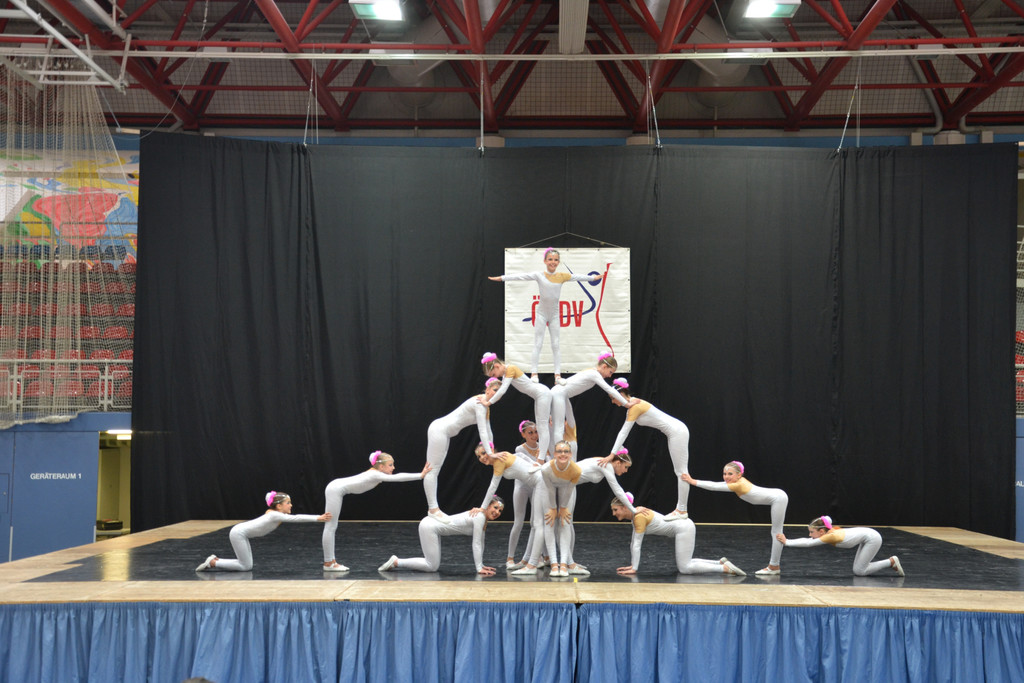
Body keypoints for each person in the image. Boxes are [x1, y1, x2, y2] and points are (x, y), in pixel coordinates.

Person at [488, 247, 604, 383]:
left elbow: (577, 277)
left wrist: (593, 278)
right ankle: (534, 374)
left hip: (554, 315)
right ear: (545, 261)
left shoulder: (562, 276)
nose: (553, 262)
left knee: (556, 345)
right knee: (538, 343)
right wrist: (501, 278)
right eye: (550, 259)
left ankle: (557, 376)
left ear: (558, 262)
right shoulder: (539, 275)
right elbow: (520, 276)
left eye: (555, 260)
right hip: (541, 314)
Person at [321, 451, 431, 571]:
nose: (393, 468)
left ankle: (330, 562)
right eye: (390, 465)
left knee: (331, 526)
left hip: (335, 488)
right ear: (381, 466)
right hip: (335, 489)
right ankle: (329, 563)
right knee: (331, 526)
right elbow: (398, 477)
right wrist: (420, 475)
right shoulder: (375, 474)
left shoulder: (375, 473)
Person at [602, 377, 691, 519]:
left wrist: (611, 455)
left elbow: (623, 433)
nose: (612, 401)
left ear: (621, 394)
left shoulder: (635, 407)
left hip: (677, 431)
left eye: (613, 398)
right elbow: (623, 434)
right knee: (680, 472)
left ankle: (682, 511)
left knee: (681, 473)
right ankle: (681, 510)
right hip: (675, 431)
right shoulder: (633, 405)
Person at [681, 461, 788, 575]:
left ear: (739, 475)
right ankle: (774, 566)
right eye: (724, 474)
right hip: (778, 496)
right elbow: (718, 484)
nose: (726, 477)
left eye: (730, 474)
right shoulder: (737, 481)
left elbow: (714, 486)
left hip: (778, 498)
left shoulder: (738, 484)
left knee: (776, 533)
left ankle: (774, 566)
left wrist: (693, 481)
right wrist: (693, 481)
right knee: (776, 532)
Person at [609, 494, 746, 577]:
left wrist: (634, 568)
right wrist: (633, 566)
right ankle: (719, 562)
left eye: (616, 510)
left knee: (684, 568)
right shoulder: (637, 515)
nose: (613, 514)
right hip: (684, 526)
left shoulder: (639, 517)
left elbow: (637, 545)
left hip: (683, 528)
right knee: (686, 563)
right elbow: (633, 543)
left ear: (625, 507)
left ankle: (724, 568)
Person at [423, 378, 499, 523]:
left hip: (444, 433)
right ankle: (433, 509)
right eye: (495, 390)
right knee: (432, 470)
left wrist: (492, 450)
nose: (497, 394)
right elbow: (482, 431)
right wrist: (490, 453)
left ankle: (434, 509)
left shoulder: (485, 407)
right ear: (488, 389)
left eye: (500, 393)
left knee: (434, 470)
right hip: (439, 430)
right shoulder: (480, 403)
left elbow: (488, 431)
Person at [195, 491, 331, 572]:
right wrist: (318, 518)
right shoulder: (274, 515)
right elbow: (296, 518)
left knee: (246, 565)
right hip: (238, 534)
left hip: (241, 534)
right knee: (245, 566)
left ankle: (215, 561)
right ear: (279, 506)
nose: (291, 505)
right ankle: (213, 562)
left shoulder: (274, 513)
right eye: (288, 503)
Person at [472, 443, 552, 570]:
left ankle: (531, 563)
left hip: (540, 482)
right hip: (538, 483)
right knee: (534, 523)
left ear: (491, 449)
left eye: (483, 453)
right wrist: (535, 464)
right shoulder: (503, 455)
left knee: (537, 524)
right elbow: (520, 455)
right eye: (479, 456)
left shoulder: (500, 460)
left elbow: (492, 487)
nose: (482, 458)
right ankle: (527, 560)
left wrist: (482, 508)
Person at [378, 496, 505, 575]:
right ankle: (396, 562)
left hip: (432, 527)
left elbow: (481, 542)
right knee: (431, 566)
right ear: (487, 505)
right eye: (495, 507)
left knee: (432, 565)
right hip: (429, 526)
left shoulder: (482, 519)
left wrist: (481, 565)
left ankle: (397, 562)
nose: (497, 512)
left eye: (500, 510)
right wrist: (478, 568)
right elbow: (476, 543)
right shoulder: (479, 517)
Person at [516, 440, 580, 577]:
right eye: (559, 451)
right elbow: (550, 489)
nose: (563, 454)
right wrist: (553, 508)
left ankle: (564, 565)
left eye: (566, 451)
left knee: (565, 522)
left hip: (565, 489)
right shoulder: (546, 469)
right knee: (549, 522)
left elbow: (569, 490)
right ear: (554, 454)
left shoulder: (576, 470)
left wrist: (563, 507)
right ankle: (554, 565)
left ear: (570, 454)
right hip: (547, 488)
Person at [549, 352, 630, 453]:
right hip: (559, 393)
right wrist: (626, 404)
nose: (610, 376)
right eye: (610, 372)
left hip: (562, 395)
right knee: (559, 427)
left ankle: (559, 452)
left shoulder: (592, 372)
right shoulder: (594, 374)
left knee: (569, 424)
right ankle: (559, 453)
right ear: (604, 366)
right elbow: (609, 389)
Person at [480, 353, 553, 460]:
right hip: (539, 396)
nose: (495, 377)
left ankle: (541, 459)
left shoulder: (510, 369)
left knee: (542, 427)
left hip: (542, 393)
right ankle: (542, 457)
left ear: (497, 366)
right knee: (540, 426)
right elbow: (497, 387)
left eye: (493, 374)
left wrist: (488, 403)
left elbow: (502, 390)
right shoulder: (505, 374)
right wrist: (486, 395)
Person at [777, 516, 904, 577]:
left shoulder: (830, 536)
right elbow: (828, 519)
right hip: (867, 536)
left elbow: (809, 542)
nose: (810, 535)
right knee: (858, 570)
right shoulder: (828, 530)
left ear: (821, 531)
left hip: (873, 538)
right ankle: (890, 562)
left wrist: (787, 542)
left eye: (812, 532)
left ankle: (891, 562)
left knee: (859, 571)